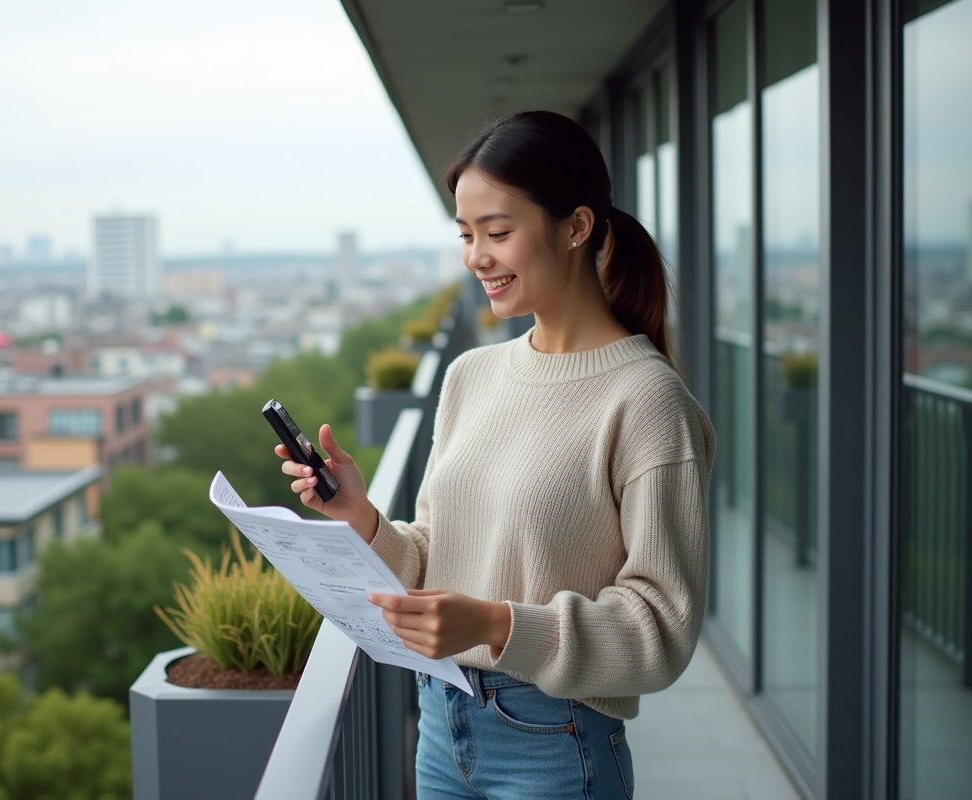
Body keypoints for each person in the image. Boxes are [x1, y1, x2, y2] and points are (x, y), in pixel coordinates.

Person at [276, 110, 715, 800]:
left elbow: (662, 631)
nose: (475, 256)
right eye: (466, 234)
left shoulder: (649, 403)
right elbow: (435, 557)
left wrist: (497, 623)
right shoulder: (470, 377)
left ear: (576, 227)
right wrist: (362, 519)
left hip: (558, 744)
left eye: (498, 232)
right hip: (442, 727)